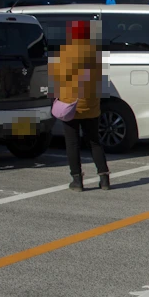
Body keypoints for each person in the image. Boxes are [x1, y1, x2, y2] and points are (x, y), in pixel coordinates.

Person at [52, 20, 110, 191]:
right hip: (91, 105)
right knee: (95, 142)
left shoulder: (64, 53)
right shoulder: (96, 54)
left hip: (70, 105)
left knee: (72, 143)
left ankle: (77, 181)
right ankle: (104, 178)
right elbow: (101, 78)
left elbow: (57, 77)